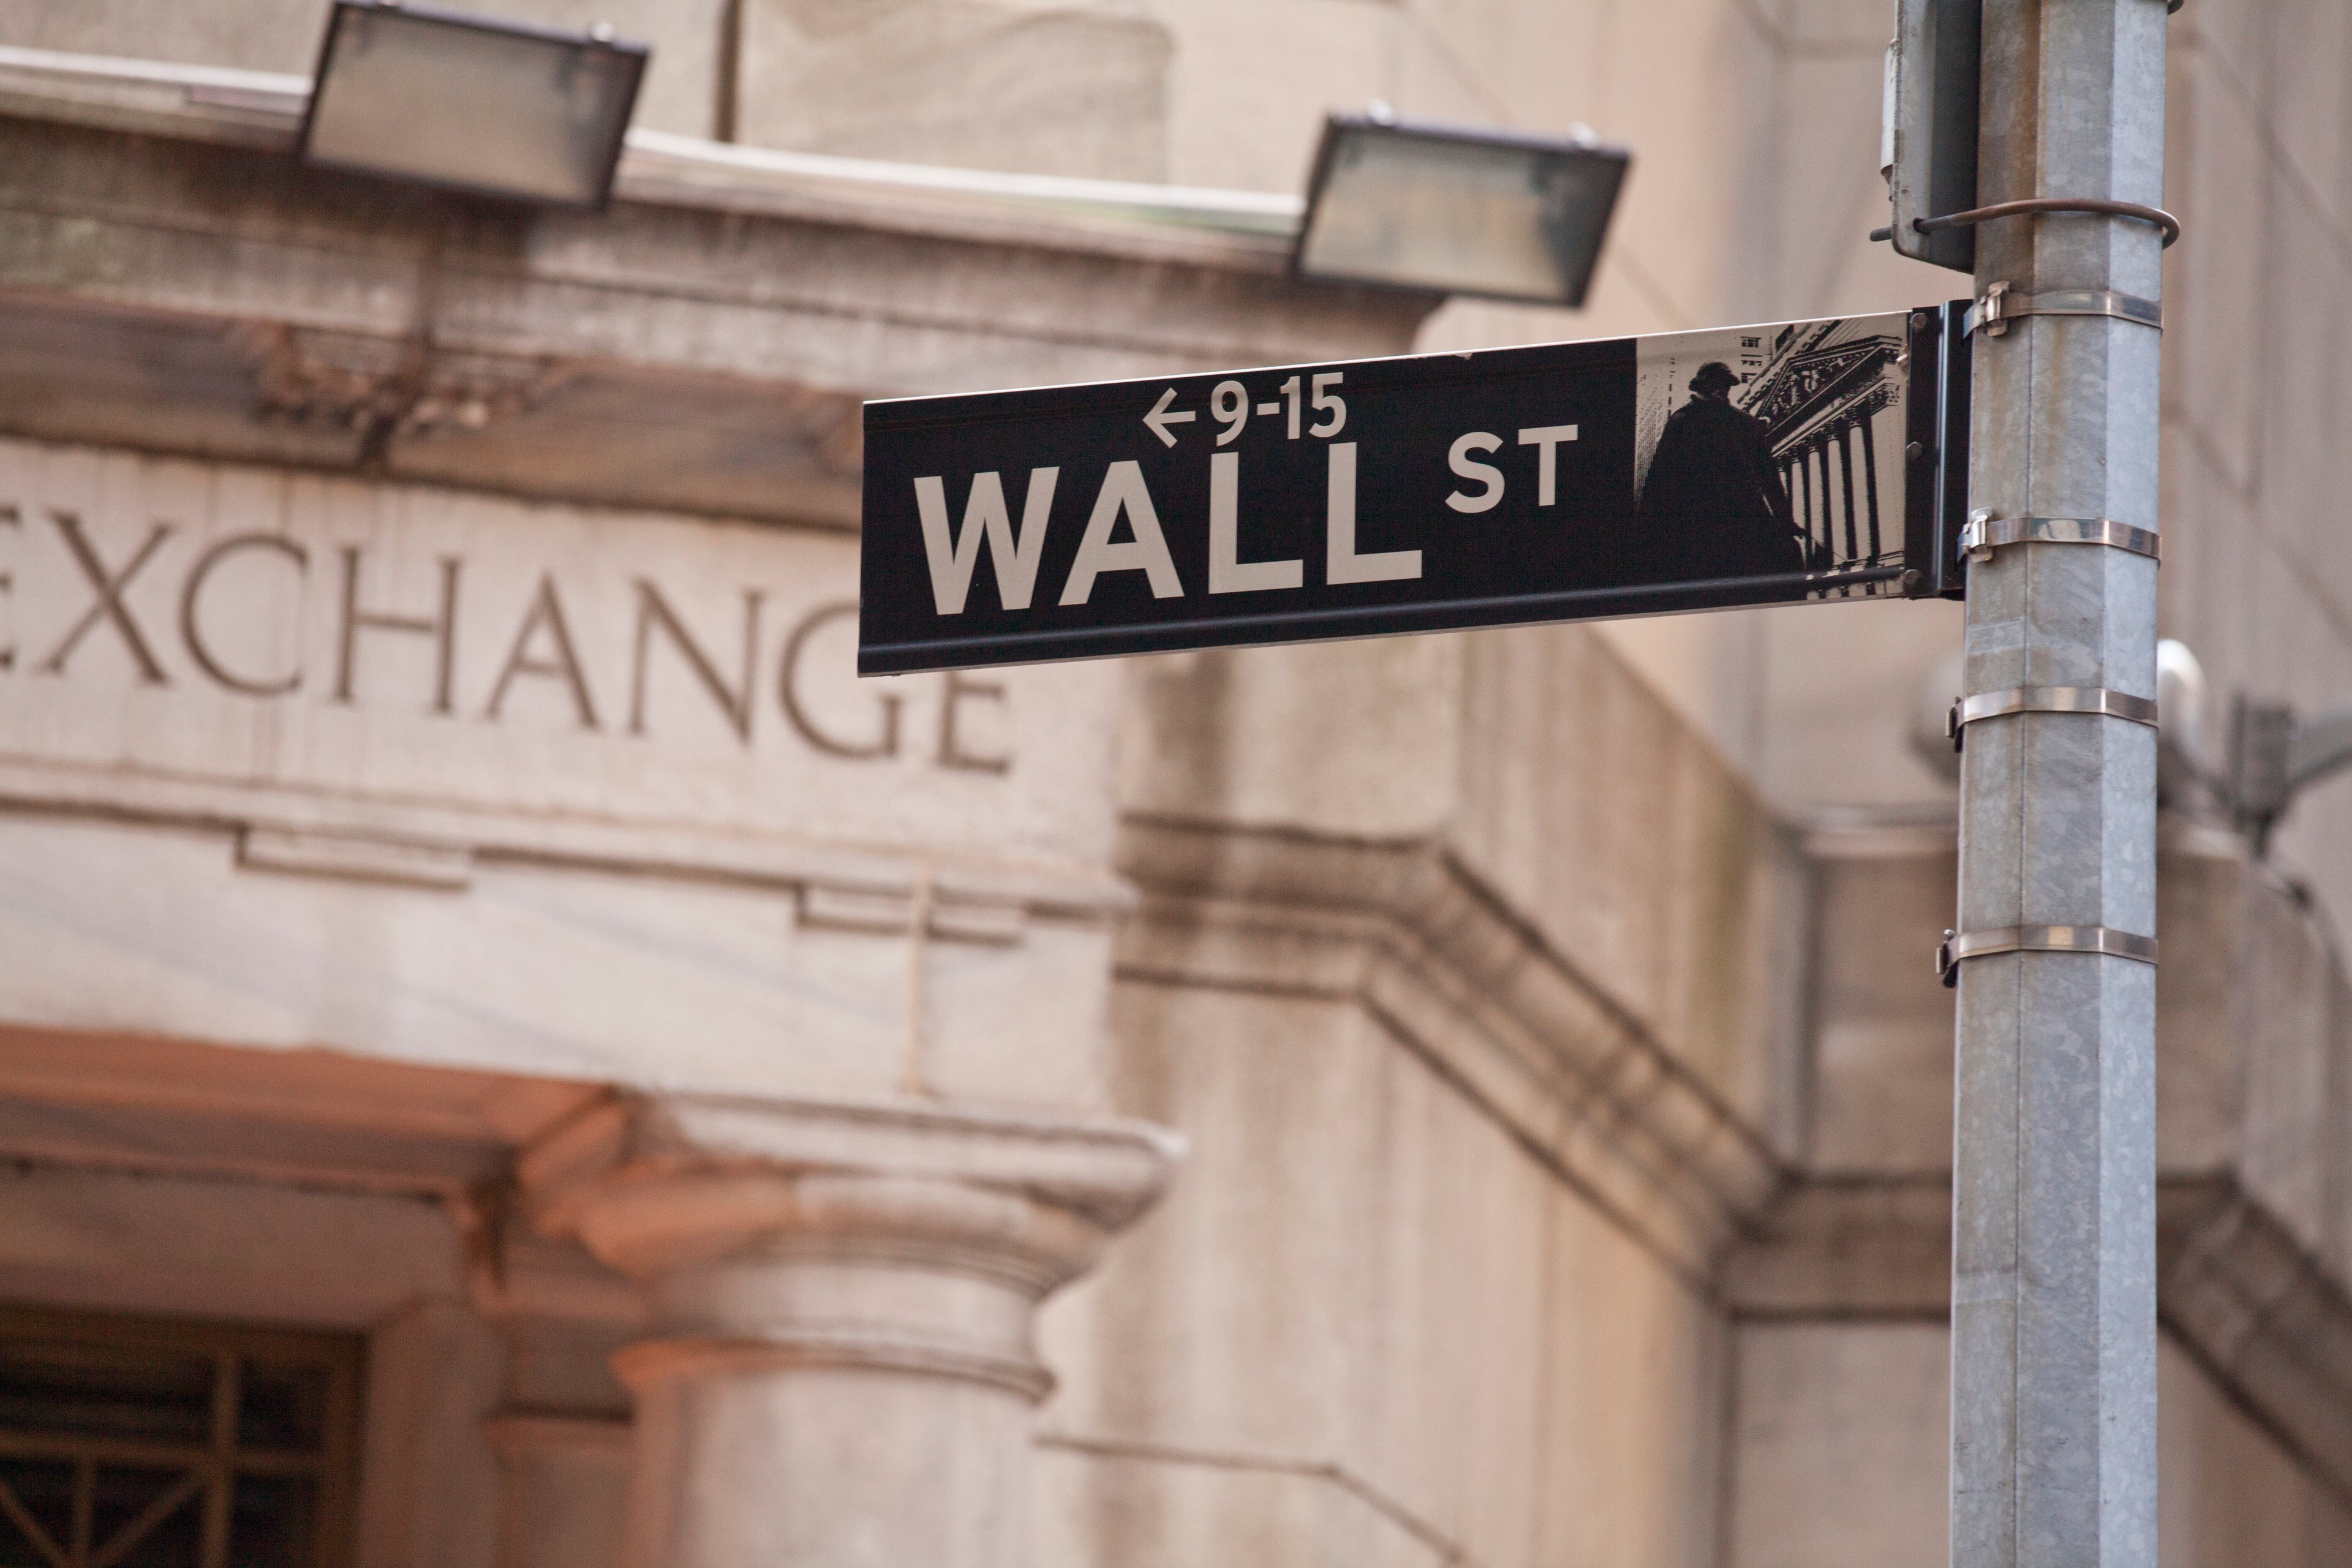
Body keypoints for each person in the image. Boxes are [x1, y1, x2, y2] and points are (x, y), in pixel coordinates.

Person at [1637, 361, 1806, 579]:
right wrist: (1650, 528)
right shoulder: (1681, 421)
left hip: (1742, 518)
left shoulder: (1745, 423)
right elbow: (1660, 480)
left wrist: (1785, 521)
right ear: (1700, 386)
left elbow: (1769, 476)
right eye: (1715, 384)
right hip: (1696, 522)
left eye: (1726, 385)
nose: (1721, 390)